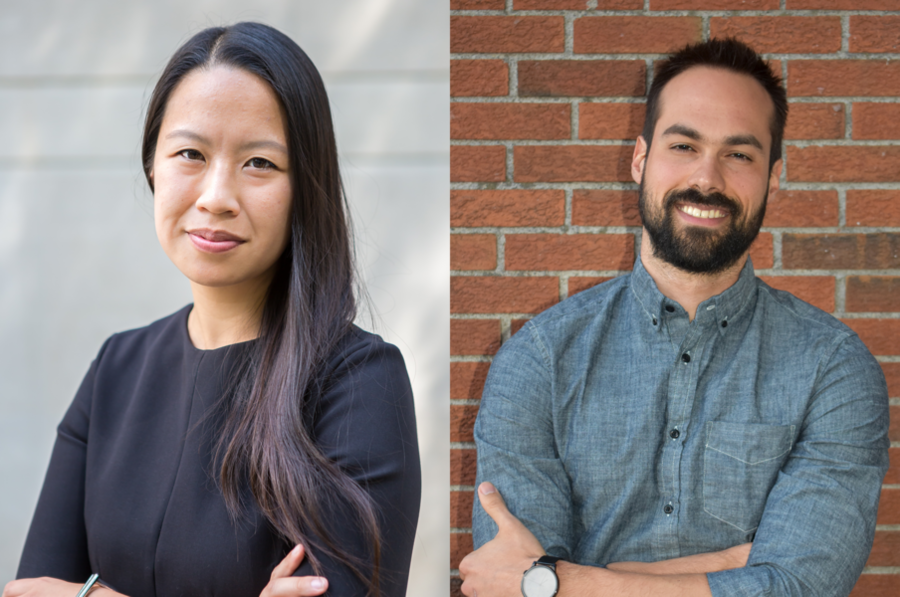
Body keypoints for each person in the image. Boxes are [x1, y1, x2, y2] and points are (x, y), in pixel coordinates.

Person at [459, 38, 889, 597]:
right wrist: (741, 566)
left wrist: (558, 581)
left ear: (773, 178)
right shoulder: (538, 359)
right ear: (640, 159)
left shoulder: (833, 367)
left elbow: (802, 585)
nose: (707, 179)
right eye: (684, 145)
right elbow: (501, 578)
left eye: (739, 154)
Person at [4, 22, 420, 597]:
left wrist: (89, 594)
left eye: (259, 164)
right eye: (190, 153)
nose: (217, 197)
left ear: (306, 186)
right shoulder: (115, 370)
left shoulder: (358, 383)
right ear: (153, 164)